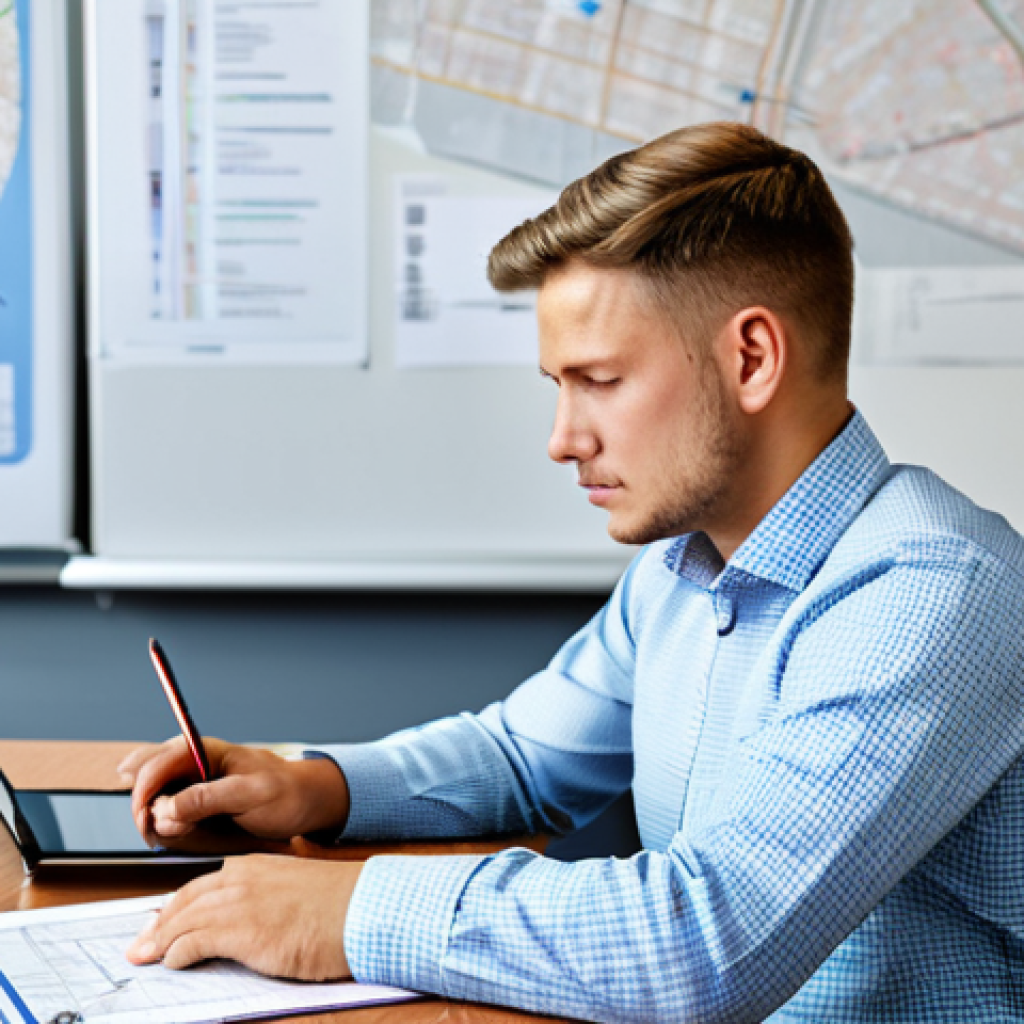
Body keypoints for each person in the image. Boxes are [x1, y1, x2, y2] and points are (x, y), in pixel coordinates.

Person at [119, 122, 1024, 1023]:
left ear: (751, 358)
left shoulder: (932, 590)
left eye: (599, 381)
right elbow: (523, 758)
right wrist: (317, 788)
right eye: (558, 386)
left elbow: (706, 944)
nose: (563, 440)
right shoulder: (685, 566)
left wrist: (352, 913)